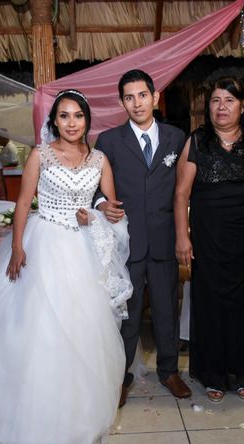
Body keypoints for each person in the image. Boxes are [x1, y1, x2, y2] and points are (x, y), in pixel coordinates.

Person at [0, 90, 131, 444]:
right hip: (43, 241)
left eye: (78, 116)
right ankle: (14, 419)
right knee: (30, 331)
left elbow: (109, 209)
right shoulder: (40, 155)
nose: (71, 122)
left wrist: (95, 214)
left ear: (87, 120)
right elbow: (22, 202)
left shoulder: (100, 159)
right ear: (55, 121)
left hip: (81, 250)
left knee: (79, 332)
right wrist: (17, 246)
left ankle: (74, 418)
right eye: (64, 116)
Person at [95, 69, 191, 407]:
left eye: (142, 95)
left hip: (165, 240)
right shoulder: (108, 141)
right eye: (129, 97)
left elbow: (185, 187)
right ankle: (121, 377)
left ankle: (169, 371)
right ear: (122, 102)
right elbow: (96, 188)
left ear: (155, 97)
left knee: (167, 309)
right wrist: (102, 204)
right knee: (127, 314)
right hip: (126, 241)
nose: (136, 103)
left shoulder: (176, 138)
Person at [174, 76, 244, 402]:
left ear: (243, 106)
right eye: (215, 100)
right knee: (212, 306)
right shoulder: (197, 141)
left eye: (229, 100)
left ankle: (243, 372)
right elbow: (181, 194)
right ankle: (213, 374)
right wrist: (182, 238)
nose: (221, 107)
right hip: (209, 240)